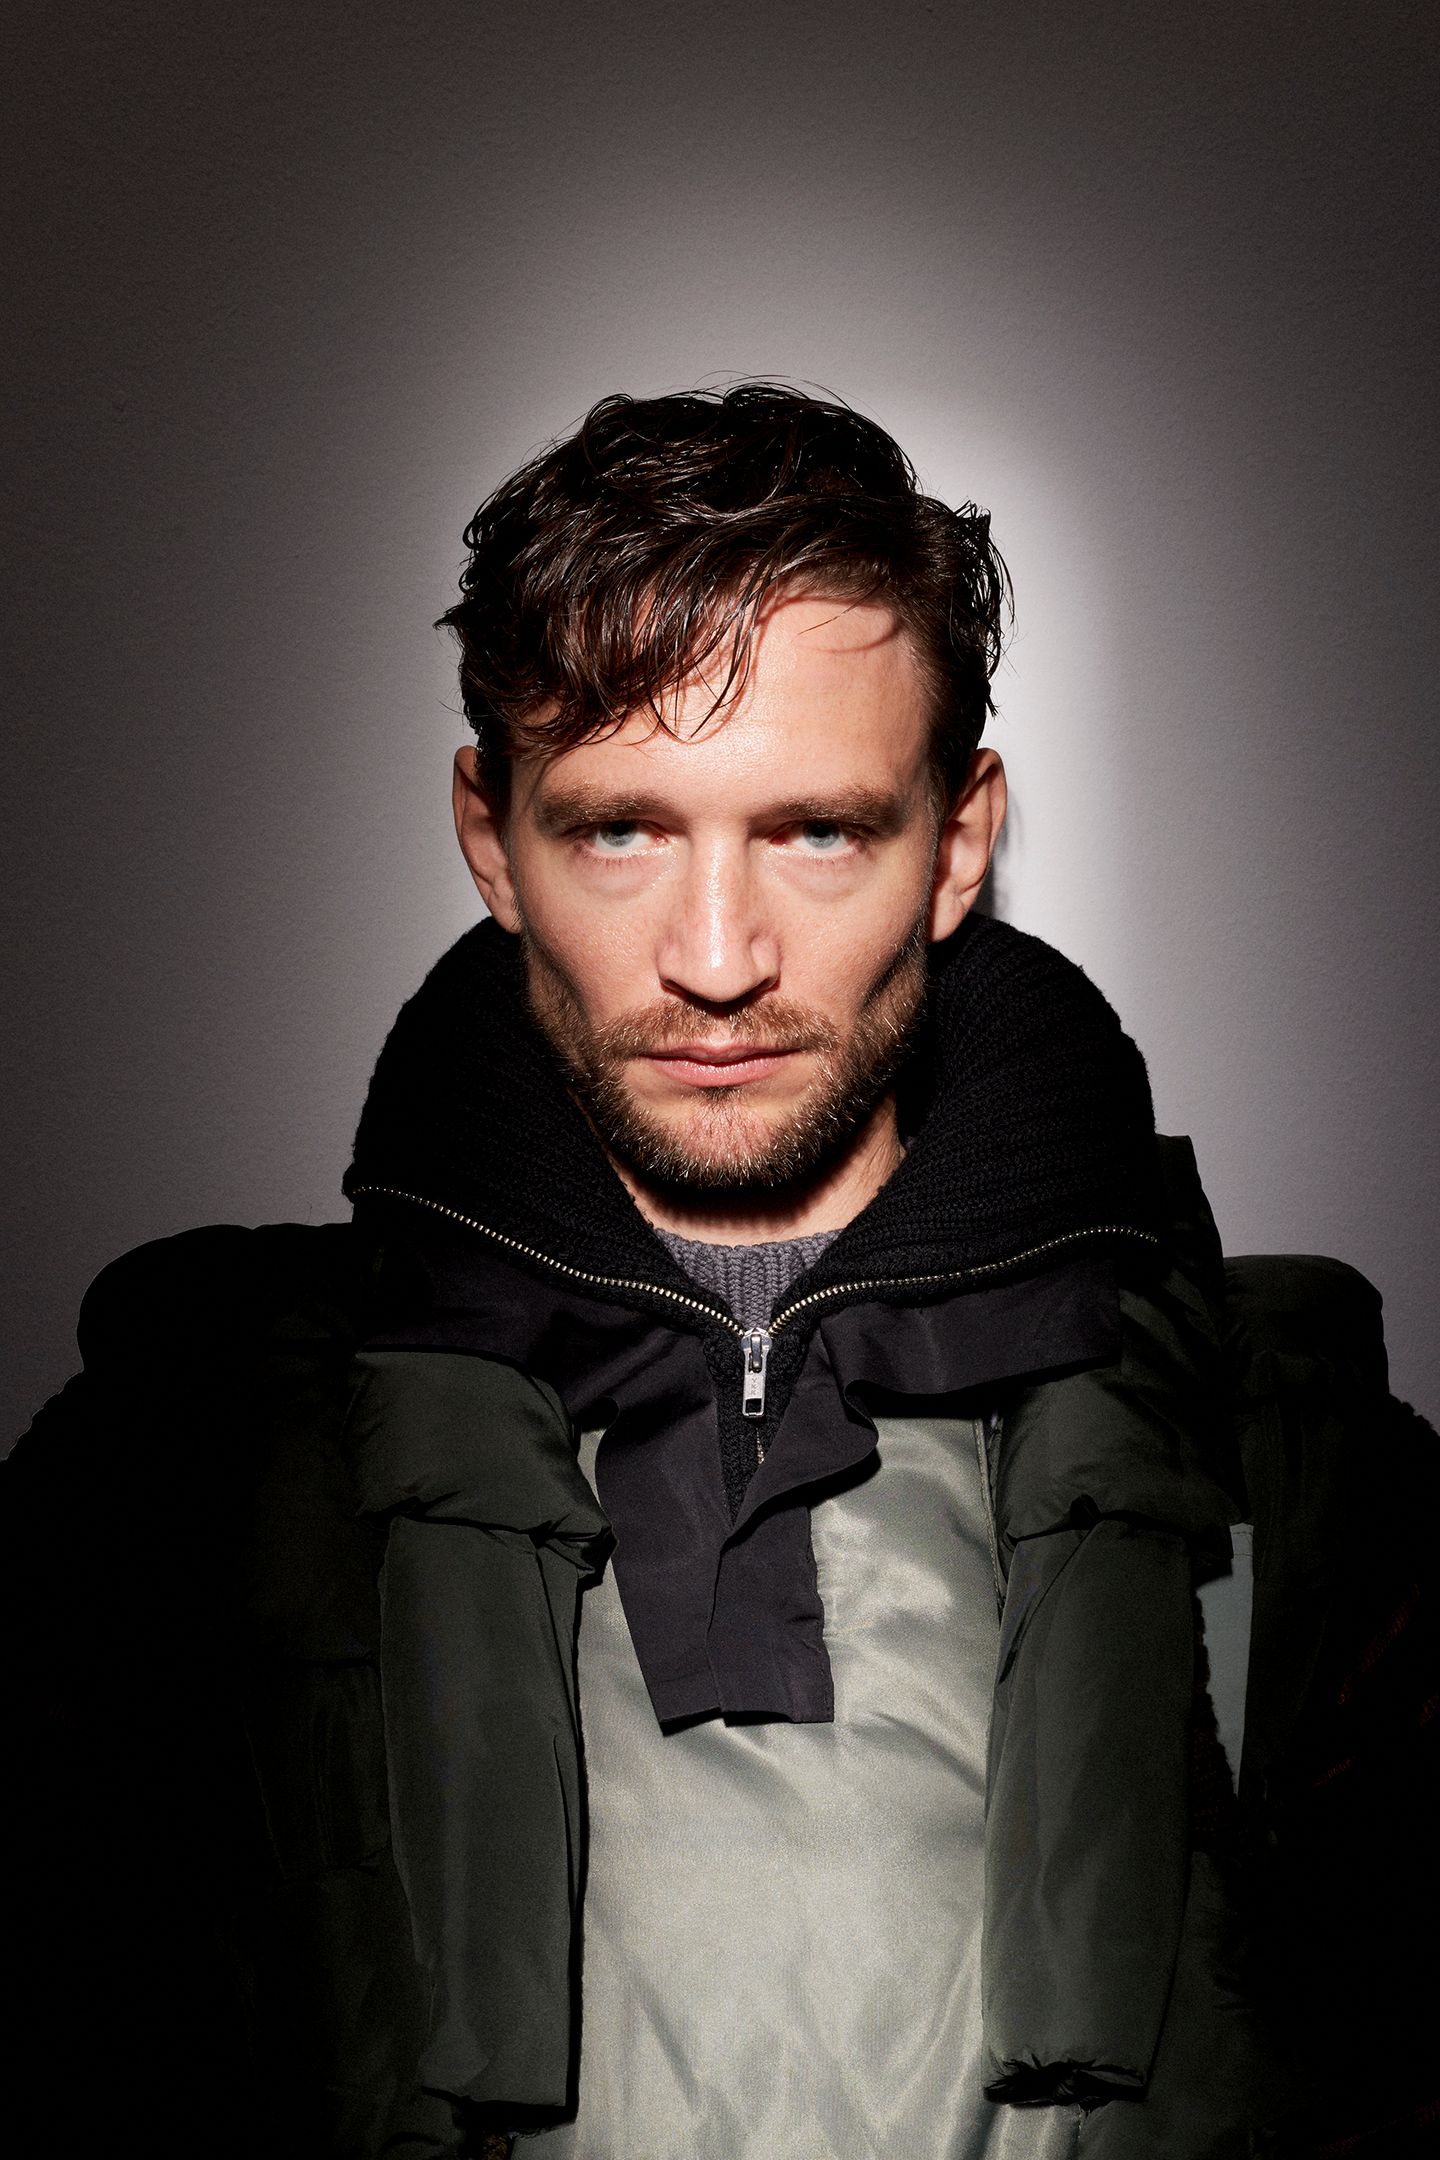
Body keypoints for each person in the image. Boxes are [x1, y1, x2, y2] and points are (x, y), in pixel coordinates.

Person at [4, 386, 1432, 2160]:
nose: (716, 958)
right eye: (621, 828)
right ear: (490, 840)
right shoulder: (180, 1466)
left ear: (958, 843)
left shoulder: (1302, 1461)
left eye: (816, 829)